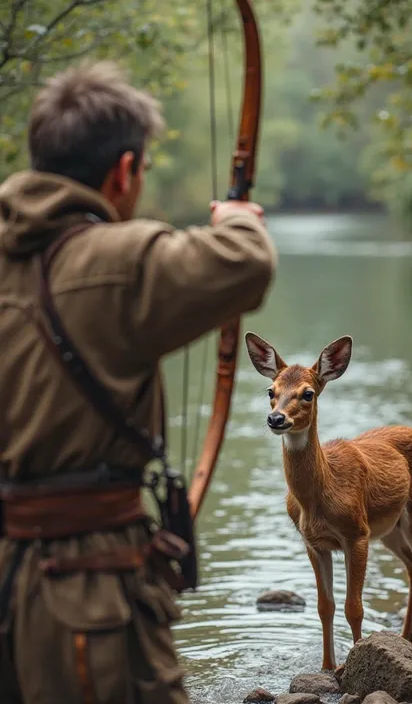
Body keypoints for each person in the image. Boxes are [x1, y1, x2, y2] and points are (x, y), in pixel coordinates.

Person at [0, 61, 276, 704]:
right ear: (123, 171)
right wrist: (236, 214)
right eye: (144, 171)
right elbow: (248, 262)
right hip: (85, 592)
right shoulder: (117, 258)